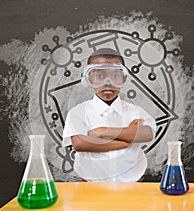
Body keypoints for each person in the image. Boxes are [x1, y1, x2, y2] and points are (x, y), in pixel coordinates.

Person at [62, 48, 156, 182]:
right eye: (100, 76)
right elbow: (80, 144)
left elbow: (147, 133)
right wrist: (125, 142)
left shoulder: (134, 110)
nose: (108, 83)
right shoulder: (78, 112)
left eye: (115, 76)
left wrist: (102, 131)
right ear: (89, 78)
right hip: (90, 185)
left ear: (123, 78)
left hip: (131, 186)